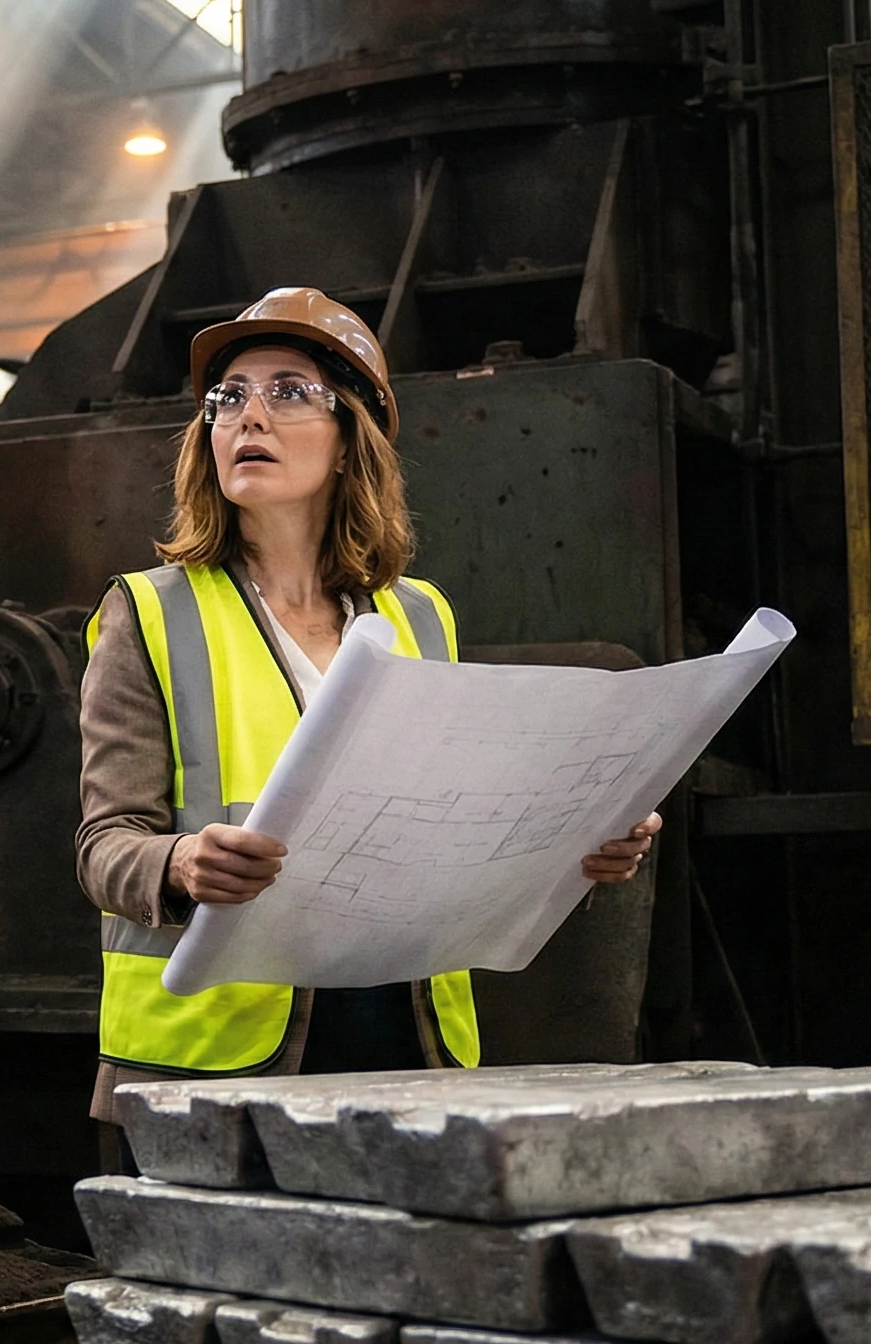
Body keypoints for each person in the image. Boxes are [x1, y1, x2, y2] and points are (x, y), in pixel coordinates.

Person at [76, 289, 659, 1160]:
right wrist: (180, 861)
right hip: (210, 1069)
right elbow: (103, 845)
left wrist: (579, 844)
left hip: (404, 1040)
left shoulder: (421, 618)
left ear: (351, 439)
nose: (248, 417)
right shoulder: (149, 614)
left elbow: (461, 823)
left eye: (286, 391)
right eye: (228, 397)